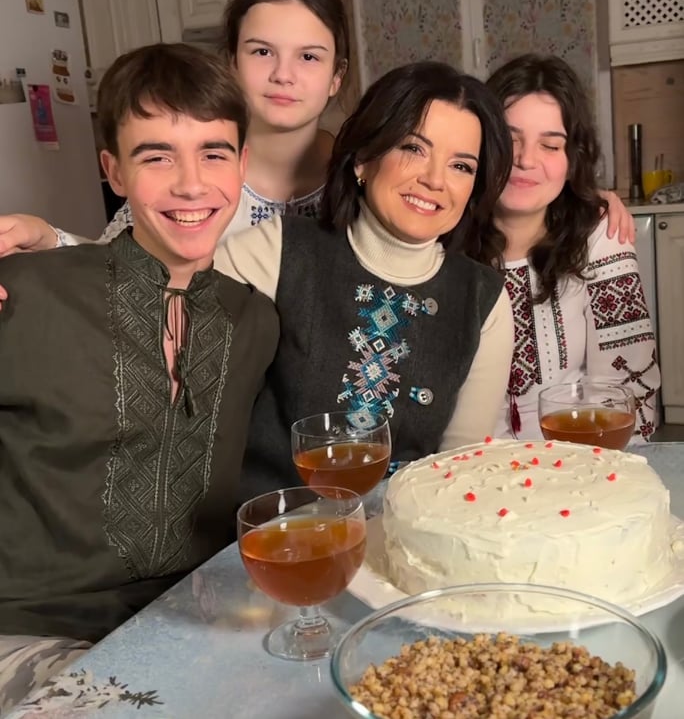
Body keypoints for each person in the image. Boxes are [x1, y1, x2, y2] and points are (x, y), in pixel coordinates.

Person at [0, 43, 279, 714]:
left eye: (214, 153)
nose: (191, 184)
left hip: (195, 625)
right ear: (114, 171)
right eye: (157, 156)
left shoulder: (254, 321)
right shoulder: (23, 294)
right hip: (30, 630)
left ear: (243, 165)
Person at [215, 61, 516, 505]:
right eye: (413, 148)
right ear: (363, 158)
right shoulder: (276, 252)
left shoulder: (483, 301)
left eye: (461, 166)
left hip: (401, 535)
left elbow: (458, 471)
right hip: (272, 533)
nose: (435, 180)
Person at [0, 0, 349, 255]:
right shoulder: (193, 175)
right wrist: (50, 240)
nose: (283, 75)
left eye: (308, 57)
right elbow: (115, 267)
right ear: (231, 63)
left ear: (337, 75)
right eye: (262, 52)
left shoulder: (363, 175)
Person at [478, 54, 659, 442]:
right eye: (509, 139)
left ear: (572, 158)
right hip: (468, 465)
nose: (526, 159)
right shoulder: (442, 241)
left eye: (550, 145)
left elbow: (628, 391)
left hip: (575, 459)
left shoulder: (600, 237)